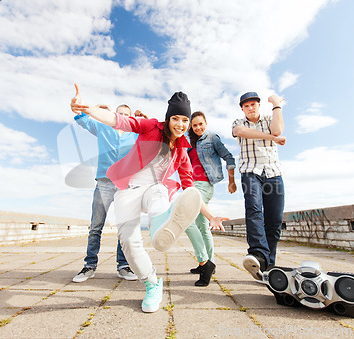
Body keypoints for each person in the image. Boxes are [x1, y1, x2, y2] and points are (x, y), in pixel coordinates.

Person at [71, 86, 228, 312]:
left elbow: (190, 189)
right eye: (176, 118)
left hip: (155, 188)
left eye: (185, 120)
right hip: (128, 189)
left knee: (158, 198)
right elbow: (118, 121)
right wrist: (88, 108)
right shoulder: (150, 127)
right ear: (168, 118)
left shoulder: (182, 151)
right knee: (127, 241)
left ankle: (161, 230)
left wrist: (211, 216)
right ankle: (152, 283)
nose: (181, 125)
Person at [71, 96, 140, 283]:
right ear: (114, 115)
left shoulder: (135, 134)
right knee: (96, 226)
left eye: (127, 115)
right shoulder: (102, 127)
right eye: (120, 114)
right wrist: (92, 107)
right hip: (103, 183)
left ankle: (123, 266)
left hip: (125, 186)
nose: (123, 117)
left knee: (124, 227)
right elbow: (80, 117)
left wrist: (145, 117)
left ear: (130, 118)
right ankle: (89, 266)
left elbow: (157, 133)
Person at [232, 91, 286, 283]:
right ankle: (258, 254)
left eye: (253, 104)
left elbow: (278, 130)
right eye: (246, 106)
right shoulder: (238, 123)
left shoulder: (269, 119)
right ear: (242, 109)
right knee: (254, 211)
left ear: (258, 105)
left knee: (274, 220)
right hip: (250, 173)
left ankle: (268, 265)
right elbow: (242, 133)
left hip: (273, 174)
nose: (250, 108)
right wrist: (271, 138)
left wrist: (276, 103)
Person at [185, 111, 237, 286]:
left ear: (205, 123)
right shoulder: (188, 141)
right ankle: (209, 263)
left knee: (187, 221)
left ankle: (205, 262)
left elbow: (228, 156)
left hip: (205, 185)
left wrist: (231, 181)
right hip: (193, 185)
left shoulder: (212, 137)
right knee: (201, 226)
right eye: (195, 125)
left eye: (201, 124)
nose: (198, 127)